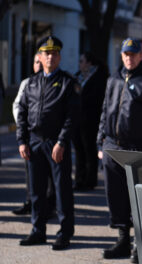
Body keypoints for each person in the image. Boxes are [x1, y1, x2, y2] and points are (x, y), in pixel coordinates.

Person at [97, 37, 142, 260]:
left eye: (133, 54)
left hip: (137, 149)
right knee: (115, 196)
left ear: (141, 55)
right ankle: (122, 240)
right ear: (122, 56)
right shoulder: (114, 79)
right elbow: (105, 110)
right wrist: (101, 140)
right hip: (112, 146)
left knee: (139, 199)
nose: (129, 58)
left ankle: (140, 244)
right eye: (126, 54)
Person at [16, 36, 78, 250]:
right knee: (36, 191)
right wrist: (22, 141)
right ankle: (37, 230)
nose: (50, 56)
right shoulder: (31, 82)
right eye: (46, 53)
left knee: (61, 191)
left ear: (59, 56)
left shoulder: (67, 82)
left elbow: (72, 116)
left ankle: (64, 233)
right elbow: (22, 113)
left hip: (55, 143)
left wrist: (61, 141)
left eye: (54, 53)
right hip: (34, 143)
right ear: (40, 57)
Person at [11, 53, 56, 216]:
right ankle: (31, 202)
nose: (38, 65)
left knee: (50, 174)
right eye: (36, 62)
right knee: (31, 172)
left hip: (47, 136)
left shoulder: (56, 81)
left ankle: (50, 206)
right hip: (30, 134)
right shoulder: (28, 83)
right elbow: (18, 106)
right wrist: (23, 126)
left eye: (40, 62)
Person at [72, 52, 108, 191]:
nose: (80, 64)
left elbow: (97, 99)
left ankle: (90, 180)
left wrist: (80, 93)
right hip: (77, 119)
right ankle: (79, 180)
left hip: (91, 120)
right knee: (79, 150)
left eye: (82, 61)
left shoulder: (99, 77)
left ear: (89, 63)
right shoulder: (78, 76)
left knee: (89, 150)